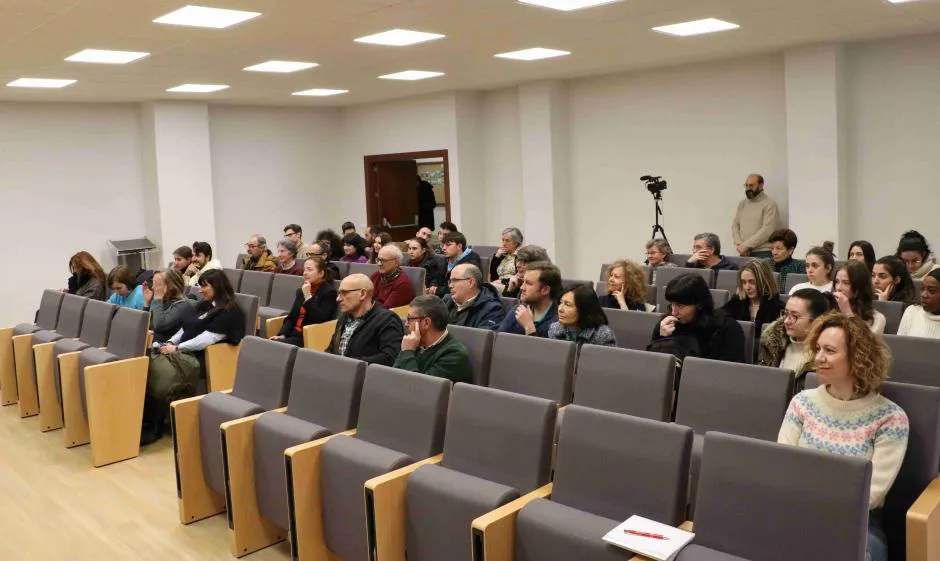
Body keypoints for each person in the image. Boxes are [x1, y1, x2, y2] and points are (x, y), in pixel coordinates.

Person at [777, 313, 909, 561]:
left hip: (859, 522)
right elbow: (784, 466)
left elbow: (871, 494)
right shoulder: (802, 403)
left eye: (829, 350)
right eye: (817, 349)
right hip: (798, 509)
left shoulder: (891, 418)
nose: (819, 358)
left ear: (858, 358)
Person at [142, 269, 246, 444]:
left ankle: (156, 426)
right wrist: (168, 342)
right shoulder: (203, 304)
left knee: (159, 372)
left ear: (218, 287)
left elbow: (207, 339)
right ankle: (149, 421)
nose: (200, 290)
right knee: (145, 363)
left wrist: (177, 348)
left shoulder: (230, 310)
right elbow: (184, 329)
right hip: (185, 352)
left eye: (204, 286)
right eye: (200, 285)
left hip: (206, 358)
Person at [648, 273, 746, 363]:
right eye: (672, 304)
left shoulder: (727, 328)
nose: (673, 312)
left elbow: (732, 371)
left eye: (680, 306)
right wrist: (663, 340)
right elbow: (653, 365)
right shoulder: (666, 325)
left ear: (699, 305)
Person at [759, 288, 837, 381]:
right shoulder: (772, 344)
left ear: (816, 321)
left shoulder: (826, 358)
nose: (787, 321)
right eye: (785, 314)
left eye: (794, 316)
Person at [326, 273, 404, 365]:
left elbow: (390, 357)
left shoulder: (387, 320)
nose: (338, 299)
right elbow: (332, 350)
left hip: (367, 377)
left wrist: (349, 364)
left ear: (362, 294)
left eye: (344, 293)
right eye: (339, 293)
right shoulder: (344, 318)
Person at [394, 295, 472, 384]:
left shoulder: (454, 356)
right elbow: (393, 377)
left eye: (410, 319)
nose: (406, 324)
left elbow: (419, 388)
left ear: (426, 323)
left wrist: (407, 351)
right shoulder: (416, 342)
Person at [270, 258, 338, 347]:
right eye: (304, 269)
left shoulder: (329, 292)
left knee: (271, 347)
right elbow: (292, 317)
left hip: (310, 335)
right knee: (264, 343)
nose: (305, 273)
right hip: (292, 334)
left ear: (321, 273)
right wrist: (283, 335)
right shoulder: (301, 290)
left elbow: (319, 319)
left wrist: (308, 296)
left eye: (309, 270)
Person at [497, 261, 561, 337]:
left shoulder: (560, 320)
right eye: (523, 282)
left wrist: (529, 328)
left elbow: (546, 349)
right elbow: (498, 343)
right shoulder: (518, 310)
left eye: (528, 283)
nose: (522, 287)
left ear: (545, 290)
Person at [721, 259, 783, 335]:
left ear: (764, 281)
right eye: (743, 282)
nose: (747, 287)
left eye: (752, 282)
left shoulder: (777, 307)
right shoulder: (737, 301)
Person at [548, 284, 617, 348]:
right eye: (561, 302)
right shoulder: (555, 329)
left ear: (584, 309)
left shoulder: (603, 335)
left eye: (567, 304)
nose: (560, 309)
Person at [443, 264, 506, 330]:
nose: (450, 285)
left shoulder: (492, 309)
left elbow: (481, 338)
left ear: (471, 282)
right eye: (450, 281)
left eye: (455, 281)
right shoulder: (446, 300)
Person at [732, 174, 780, 259]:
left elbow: (767, 230)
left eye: (751, 185)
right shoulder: (742, 204)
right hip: (744, 252)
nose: (748, 189)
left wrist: (746, 246)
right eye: (746, 185)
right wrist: (740, 244)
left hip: (763, 253)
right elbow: (735, 225)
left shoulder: (770, 204)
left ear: (761, 185)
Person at [143, 268, 195, 344]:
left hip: (166, 349)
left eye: (157, 284)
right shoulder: (163, 301)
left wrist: (157, 299)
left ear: (170, 287)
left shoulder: (183, 305)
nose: (152, 287)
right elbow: (146, 326)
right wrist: (146, 303)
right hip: (152, 345)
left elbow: (159, 326)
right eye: (153, 283)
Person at [833, 260, 886, 334]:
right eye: (837, 281)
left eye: (846, 283)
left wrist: (848, 313)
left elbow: (864, 343)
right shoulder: (828, 310)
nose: (838, 288)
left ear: (859, 287)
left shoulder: (877, 319)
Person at [436, 231, 482, 298]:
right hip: (445, 296)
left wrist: (437, 290)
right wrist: (433, 285)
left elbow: (462, 287)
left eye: (448, 245)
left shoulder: (471, 261)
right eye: (443, 245)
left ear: (459, 246)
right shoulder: (446, 258)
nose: (443, 248)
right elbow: (437, 277)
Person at [897, 268, 940, 339]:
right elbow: (900, 346)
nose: (924, 295)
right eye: (922, 289)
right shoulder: (912, 312)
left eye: (931, 291)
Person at [370, 245, 414, 310]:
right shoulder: (376, 275)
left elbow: (386, 310)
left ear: (396, 262)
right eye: (378, 260)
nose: (379, 263)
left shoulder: (402, 284)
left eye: (383, 260)